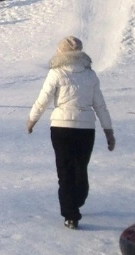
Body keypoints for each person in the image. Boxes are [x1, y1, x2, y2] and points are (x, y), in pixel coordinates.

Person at [26, 36, 115, 229]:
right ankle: (77, 200)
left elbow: (43, 99)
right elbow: (100, 105)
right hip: (85, 129)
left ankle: (70, 214)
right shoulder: (90, 75)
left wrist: (32, 119)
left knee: (65, 171)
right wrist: (108, 131)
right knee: (80, 168)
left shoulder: (56, 73)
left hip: (61, 128)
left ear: (61, 53)